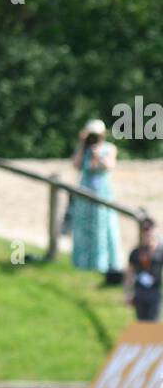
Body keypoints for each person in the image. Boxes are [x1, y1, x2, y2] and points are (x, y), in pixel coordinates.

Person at [70, 118, 121, 276]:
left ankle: (104, 264)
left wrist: (98, 154)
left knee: (104, 227)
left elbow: (109, 166)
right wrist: (81, 143)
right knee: (83, 227)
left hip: (102, 193)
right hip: (85, 193)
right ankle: (82, 263)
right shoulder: (84, 149)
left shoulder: (109, 148)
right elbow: (76, 165)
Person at [125, 218, 162, 322]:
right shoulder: (136, 252)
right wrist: (128, 293)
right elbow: (129, 274)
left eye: (149, 229)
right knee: (141, 324)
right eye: (145, 230)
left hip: (154, 291)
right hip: (140, 291)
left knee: (153, 323)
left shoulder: (159, 251)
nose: (147, 233)